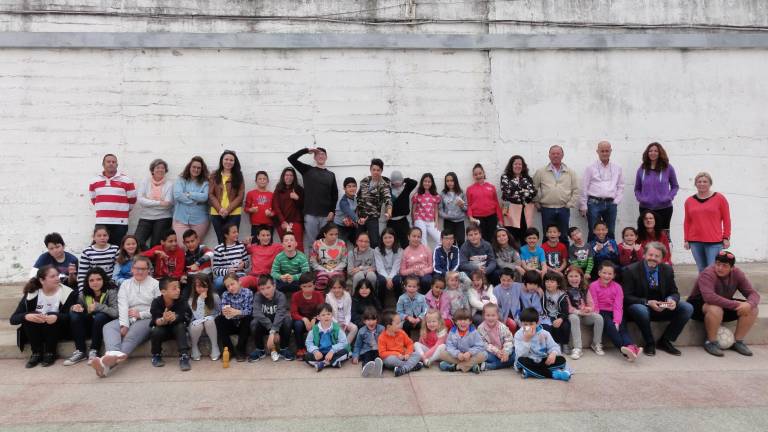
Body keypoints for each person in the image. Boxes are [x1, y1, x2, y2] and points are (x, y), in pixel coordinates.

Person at [90, 256, 160, 377]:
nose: (140, 271)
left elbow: (158, 308)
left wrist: (141, 314)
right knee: (109, 327)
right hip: (127, 317)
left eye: (143, 268)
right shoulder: (125, 284)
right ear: (132, 269)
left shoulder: (156, 284)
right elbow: (122, 306)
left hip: (147, 318)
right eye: (137, 268)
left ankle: (106, 364)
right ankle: (111, 355)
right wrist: (124, 324)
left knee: (131, 335)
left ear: (149, 270)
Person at [622, 242, 693, 356]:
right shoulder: (630, 270)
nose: (653, 258)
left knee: (687, 308)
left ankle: (665, 340)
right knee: (641, 309)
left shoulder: (667, 269)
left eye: (657, 256)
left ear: (662, 258)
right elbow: (626, 296)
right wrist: (647, 302)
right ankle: (649, 342)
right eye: (650, 255)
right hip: (641, 307)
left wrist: (672, 300)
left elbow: (674, 292)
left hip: (661, 306)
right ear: (644, 254)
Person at [688, 251, 761, 357]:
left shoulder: (737, 273)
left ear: (732, 268)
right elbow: (709, 297)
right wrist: (736, 305)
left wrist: (749, 304)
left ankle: (738, 342)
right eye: (717, 264)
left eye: (725, 265)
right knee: (715, 309)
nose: (720, 268)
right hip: (698, 306)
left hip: (723, 304)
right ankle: (711, 342)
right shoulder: (707, 273)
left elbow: (753, 293)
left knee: (753, 309)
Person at [11, 265, 78, 368]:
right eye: (52, 276)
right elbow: (13, 319)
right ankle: (36, 353)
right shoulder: (32, 294)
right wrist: (26, 316)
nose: (57, 278)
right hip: (36, 332)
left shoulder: (67, 293)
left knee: (51, 315)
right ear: (42, 280)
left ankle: (50, 352)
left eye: (57, 275)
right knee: (30, 316)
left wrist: (57, 317)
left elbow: (70, 317)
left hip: (59, 330)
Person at [288, 147, 338, 252]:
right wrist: (306, 150)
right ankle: (312, 266)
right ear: (314, 157)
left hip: (325, 216)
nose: (321, 155)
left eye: (323, 154)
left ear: (326, 157)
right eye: (318, 154)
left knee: (325, 243)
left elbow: (334, 195)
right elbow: (291, 158)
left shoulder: (331, 175)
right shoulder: (307, 170)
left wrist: (332, 211)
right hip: (310, 214)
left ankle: (324, 267)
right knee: (313, 243)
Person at [590, 261, 642, 361]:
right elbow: (594, 304)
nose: (607, 276)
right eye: (604, 273)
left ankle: (630, 346)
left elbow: (618, 306)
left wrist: (617, 320)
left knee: (622, 328)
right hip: (601, 311)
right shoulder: (593, 285)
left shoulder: (618, 287)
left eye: (610, 274)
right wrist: (598, 316)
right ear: (599, 273)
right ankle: (627, 351)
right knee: (610, 326)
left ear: (614, 275)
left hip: (615, 311)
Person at [65, 267, 118, 366]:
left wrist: (98, 307)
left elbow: (115, 313)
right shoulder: (83, 294)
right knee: (74, 313)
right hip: (90, 326)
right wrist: (75, 307)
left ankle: (94, 350)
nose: (95, 283)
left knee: (100, 316)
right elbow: (81, 311)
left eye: (98, 279)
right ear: (87, 282)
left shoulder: (111, 291)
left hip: (104, 325)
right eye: (91, 280)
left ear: (104, 279)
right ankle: (80, 351)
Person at [684, 172, 731, 272]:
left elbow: (726, 219)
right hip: (695, 241)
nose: (702, 184)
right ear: (695, 184)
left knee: (712, 269)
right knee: (701, 269)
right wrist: (686, 239)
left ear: (710, 184)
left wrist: (726, 237)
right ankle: (704, 288)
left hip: (714, 241)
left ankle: (714, 288)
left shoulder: (720, 198)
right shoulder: (689, 201)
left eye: (705, 181)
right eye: (699, 181)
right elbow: (687, 221)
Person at [533, 145, 579, 245]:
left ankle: (565, 259)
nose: (555, 156)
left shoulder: (570, 172)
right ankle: (545, 259)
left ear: (562, 155)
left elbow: (576, 190)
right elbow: (533, 188)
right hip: (547, 209)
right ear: (549, 155)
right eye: (553, 153)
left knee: (563, 236)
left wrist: (570, 204)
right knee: (547, 236)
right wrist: (536, 202)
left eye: (558, 153)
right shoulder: (541, 172)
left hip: (563, 208)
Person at [580, 141, 624, 241]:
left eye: (607, 151)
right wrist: (583, 205)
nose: (604, 153)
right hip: (594, 203)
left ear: (611, 151)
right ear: (597, 152)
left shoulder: (617, 168)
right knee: (593, 230)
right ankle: (592, 255)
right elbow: (584, 186)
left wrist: (616, 201)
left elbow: (621, 186)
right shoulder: (590, 167)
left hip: (611, 204)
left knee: (610, 231)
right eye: (602, 151)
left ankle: (610, 255)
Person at [513, 307, 571, 381]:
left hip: (543, 360)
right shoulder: (519, 334)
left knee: (562, 360)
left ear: (537, 323)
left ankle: (530, 372)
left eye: (531, 324)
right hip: (528, 360)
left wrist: (553, 353)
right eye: (525, 324)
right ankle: (553, 374)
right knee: (520, 361)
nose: (528, 327)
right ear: (521, 324)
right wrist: (526, 340)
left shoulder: (545, 333)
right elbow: (520, 354)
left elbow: (554, 346)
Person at [88, 153, 136, 243]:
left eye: (113, 162)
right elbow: (94, 199)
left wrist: (122, 211)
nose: (111, 163)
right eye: (108, 161)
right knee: (100, 246)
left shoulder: (126, 180)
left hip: (120, 222)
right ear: (103, 164)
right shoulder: (94, 181)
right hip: (101, 221)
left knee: (117, 248)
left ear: (117, 165)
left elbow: (132, 199)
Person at [634, 142, 678, 232]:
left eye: (656, 151)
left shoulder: (668, 168)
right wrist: (641, 198)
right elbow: (637, 188)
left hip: (664, 208)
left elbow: (675, 186)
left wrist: (668, 197)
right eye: (650, 151)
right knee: (646, 234)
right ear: (647, 153)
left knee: (663, 235)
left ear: (660, 153)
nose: (653, 153)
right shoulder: (642, 169)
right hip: (645, 208)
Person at [149, 278, 192, 371]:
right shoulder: (156, 302)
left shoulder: (182, 300)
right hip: (163, 331)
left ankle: (184, 356)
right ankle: (156, 355)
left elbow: (186, 315)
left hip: (178, 331)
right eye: (174, 288)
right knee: (155, 330)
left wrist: (175, 317)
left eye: (179, 287)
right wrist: (163, 319)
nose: (178, 290)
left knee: (180, 326)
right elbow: (155, 320)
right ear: (163, 292)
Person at [250, 276, 294, 362]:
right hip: (266, 326)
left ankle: (284, 349)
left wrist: (274, 330)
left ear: (274, 286)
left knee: (287, 320)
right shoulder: (258, 296)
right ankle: (260, 350)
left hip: (279, 325)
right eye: (262, 289)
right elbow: (257, 313)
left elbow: (280, 314)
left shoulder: (280, 296)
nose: (265, 291)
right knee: (254, 323)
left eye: (268, 287)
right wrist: (272, 330)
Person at [564, 265, 604, 360]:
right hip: (572, 315)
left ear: (581, 277)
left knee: (598, 318)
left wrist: (589, 309)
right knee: (574, 317)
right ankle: (578, 348)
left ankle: (596, 343)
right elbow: (568, 307)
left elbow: (591, 303)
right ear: (567, 277)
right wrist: (578, 312)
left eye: (576, 276)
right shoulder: (565, 290)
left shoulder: (585, 288)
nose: (574, 279)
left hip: (584, 314)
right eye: (571, 276)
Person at [134, 158, 174, 249]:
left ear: (165, 170)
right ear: (152, 170)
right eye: (157, 167)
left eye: (163, 168)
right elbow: (140, 200)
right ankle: (144, 260)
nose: (160, 169)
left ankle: (153, 263)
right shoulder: (145, 182)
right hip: (145, 217)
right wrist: (160, 202)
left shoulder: (169, 184)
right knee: (138, 241)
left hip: (163, 218)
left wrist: (148, 202)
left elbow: (168, 203)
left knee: (156, 245)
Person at [209, 150, 245, 244]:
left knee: (233, 240)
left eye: (231, 160)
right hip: (217, 213)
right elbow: (211, 194)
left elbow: (240, 195)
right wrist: (220, 209)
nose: (228, 162)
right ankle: (222, 258)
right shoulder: (214, 175)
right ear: (222, 160)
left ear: (235, 162)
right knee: (221, 240)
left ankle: (234, 259)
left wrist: (228, 210)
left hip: (234, 213)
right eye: (226, 159)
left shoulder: (238, 175)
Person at [500, 155, 537, 244]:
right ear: (511, 165)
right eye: (515, 164)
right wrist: (524, 191)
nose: (518, 166)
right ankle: (513, 257)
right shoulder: (505, 177)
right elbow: (507, 193)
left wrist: (516, 190)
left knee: (525, 234)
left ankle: (524, 256)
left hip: (525, 210)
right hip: (510, 210)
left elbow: (533, 193)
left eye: (520, 164)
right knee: (511, 235)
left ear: (523, 166)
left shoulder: (527, 178)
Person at [215, 274, 253, 362]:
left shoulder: (248, 293)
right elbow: (223, 310)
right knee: (218, 319)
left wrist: (237, 312)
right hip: (231, 322)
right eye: (228, 286)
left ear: (239, 282)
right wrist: (225, 312)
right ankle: (229, 349)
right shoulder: (225, 294)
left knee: (248, 318)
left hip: (243, 325)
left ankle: (240, 349)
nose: (230, 288)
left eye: (232, 284)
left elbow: (249, 310)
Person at [172, 155, 211, 241]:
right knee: (182, 245)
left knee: (194, 246)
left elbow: (204, 197)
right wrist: (195, 202)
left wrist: (189, 194)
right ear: (189, 167)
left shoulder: (205, 182)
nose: (196, 170)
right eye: (194, 167)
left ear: (202, 170)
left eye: (199, 168)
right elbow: (178, 195)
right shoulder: (181, 180)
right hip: (180, 219)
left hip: (200, 220)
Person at [357, 158, 393, 249]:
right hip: (360, 217)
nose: (376, 172)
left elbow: (388, 199)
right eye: (374, 169)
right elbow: (358, 197)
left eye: (378, 170)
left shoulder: (384, 185)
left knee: (375, 242)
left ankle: (375, 263)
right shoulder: (364, 181)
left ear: (381, 170)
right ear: (370, 169)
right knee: (358, 240)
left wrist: (389, 212)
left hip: (372, 218)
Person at [439, 308, 486, 373]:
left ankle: (457, 367)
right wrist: (457, 354)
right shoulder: (452, 332)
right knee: (442, 354)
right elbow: (449, 346)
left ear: (470, 321)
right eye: (460, 320)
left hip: (470, 356)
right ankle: (471, 366)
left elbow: (480, 346)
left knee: (484, 355)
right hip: (458, 356)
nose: (463, 322)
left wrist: (470, 353)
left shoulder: (474, 332)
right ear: (455, 322)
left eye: (465, 320)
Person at [304, 303, 349, 371]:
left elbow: (343, 342)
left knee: (345, 352)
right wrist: (315, 351)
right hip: (320, 354)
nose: (326, 316)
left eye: (328, 314)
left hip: (333, 353)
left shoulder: (337, 328)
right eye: (323, 315)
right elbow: (308, 343)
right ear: (318, 317)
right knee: (307, 356)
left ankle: (323, 364)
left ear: (331, 315)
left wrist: (332, 351)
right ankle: (333, 362)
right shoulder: (314, 330)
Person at [378, 309, 423, 377]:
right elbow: (382, 353)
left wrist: (408, 353)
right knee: (391, 360)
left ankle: (403, 369)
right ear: (389, 327)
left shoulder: (401, 333)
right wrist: (396, 354)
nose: (400, 325)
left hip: (404, 356)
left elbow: (410, 343)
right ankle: (412, 366)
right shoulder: (382, 337)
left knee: (417, 355)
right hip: (392, 358)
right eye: (397, 323)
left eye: (400, 322)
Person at [466, 163, 503, 243]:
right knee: (482, 238)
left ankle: (492, 254)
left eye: (480, 173)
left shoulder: (491, 187)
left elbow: (496, 203)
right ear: (473, 176)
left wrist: (500, 219)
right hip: (478, 218)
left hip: (492, 217)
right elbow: (469, 205)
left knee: (493, 237)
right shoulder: (470, 189)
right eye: (475, 174)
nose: (478, 176)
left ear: (484, 173)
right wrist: (470, 217)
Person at [187, 274, 221, 361]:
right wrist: (200, 300)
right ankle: (194, 347)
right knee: (198, 325)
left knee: (209, 321)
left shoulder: (215, 297)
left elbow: (219, 311)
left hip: (211, 325)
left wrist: (211, 317)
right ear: (194, 287)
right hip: (196, 325)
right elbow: (198, 317)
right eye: (198, 286)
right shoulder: (191, 300)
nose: (201, 289)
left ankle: (215, 346)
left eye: (204, 286)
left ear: (208, 286)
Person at [291, 272, 325, 358]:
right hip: (302, 321)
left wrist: (314, 319)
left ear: (314, 286)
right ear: (300, 286)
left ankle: (318, 348)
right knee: (297, 324)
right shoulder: (296, 296)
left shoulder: (318, 295)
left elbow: (322, 310)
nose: (307, 289)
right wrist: (304, 319)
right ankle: (300, 348)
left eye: (310, 286)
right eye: (304, 286)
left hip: (316, 319)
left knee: (321, 323)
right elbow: (293, 313)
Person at [239, 226, 283, 290]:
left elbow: (288, 246)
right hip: (254, 277)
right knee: (241, 282)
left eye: (268, 235)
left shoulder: (276, 247)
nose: (266, 238)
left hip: (268, 277)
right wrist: (246, 243)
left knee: (264, 288)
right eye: (263, 235)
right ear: (258, 237)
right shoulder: (253, 247)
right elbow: (242, 249)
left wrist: (288, 231)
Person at [272, 167, 305, 252]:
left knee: (298, 245)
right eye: (287, 175)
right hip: (282, 223)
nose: (289, 177)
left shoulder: (298, 189)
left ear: (294, 177)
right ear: (283, 176)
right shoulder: (279, 189)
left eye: (291, 175)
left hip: (296, 222)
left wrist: (297, 198)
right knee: (286, 246)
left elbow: (304, 206)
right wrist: (283, 221)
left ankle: (302, 265)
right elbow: (276, 206)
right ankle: (287, 265)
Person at [77, 225, 119, 291]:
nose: (102, 238)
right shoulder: (87, 252)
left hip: (110, 284)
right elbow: (82, 274)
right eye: (99, 236)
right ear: (94, 237)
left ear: (108, 237)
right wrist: (82, 291)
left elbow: (118, 270)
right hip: (94, 284)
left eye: (105, 235)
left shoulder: (115, 249)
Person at [211, 223, 249, 294]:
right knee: (217, 283)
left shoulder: (241, 246)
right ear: (226, 235)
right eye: (234, 232)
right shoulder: (219, 249)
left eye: (237, 231)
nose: (237, 234)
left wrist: (243, 264)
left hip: (239, 274)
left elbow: (247, 263)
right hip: (225, 276)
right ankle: (222, 300)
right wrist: (227, 271)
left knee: (244, 281)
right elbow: (215, 269)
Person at [310, 223, 348, 291]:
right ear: (325, 234)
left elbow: (344, 260)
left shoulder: (341, 243)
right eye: (331, 234)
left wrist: (335, 269)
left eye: (336, 234)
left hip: (337, 269)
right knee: (322, 278)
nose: (334, 237)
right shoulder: (317, 244)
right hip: (321, 269)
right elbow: (313, 261)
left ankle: (335, 297)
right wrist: (323, 269)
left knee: (337, 280)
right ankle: (321, 296)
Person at [477, 303, 515, 370]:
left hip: (503, 352)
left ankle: (490, 366)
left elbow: (509, 340)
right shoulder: (481, 328)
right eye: (488, 315)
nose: (490, 318)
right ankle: (500, 364)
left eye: (493, 315)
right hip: (491, 352)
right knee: (482, 354)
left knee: (514, 355)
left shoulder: (502, 327)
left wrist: (506, 352)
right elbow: (483, 344)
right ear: (483, 316)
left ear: (497, 316)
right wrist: (496, 352)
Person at [387, 171, 418, 249]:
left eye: (399, 181)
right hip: (391, 221)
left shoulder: (406, 188)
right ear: (392, 181)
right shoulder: (388, 190)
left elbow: (414, 182)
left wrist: (403, 180)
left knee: (406, 242)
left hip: (403, 220)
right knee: (392, 243)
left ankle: (407, 259)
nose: (397, 183)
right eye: (395, 182)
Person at [541, 272, 571, 351]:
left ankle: (565, 343)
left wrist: (561, 319)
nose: (549, 284)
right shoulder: (543, 292)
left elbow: (565, 311)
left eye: (552, 282)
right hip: (547, 315)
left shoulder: (562, 295)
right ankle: (555, 344)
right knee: (548, 327)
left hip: (560, 315)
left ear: (558, 284)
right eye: (547, 282)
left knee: (566, 326)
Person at [352, 307, 385, 377]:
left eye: (373, 319)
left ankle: (379, 369)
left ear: (377, 320)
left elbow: (386, 342)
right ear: (364, 321)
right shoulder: (361, 331)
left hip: (379, 350)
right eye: (368, 320)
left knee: (379, 358)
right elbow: (358, 345)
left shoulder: (381, 329)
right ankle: (365, 368)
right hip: (367, 350)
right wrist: (355, 356)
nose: (371, 322)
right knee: (367, 357)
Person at [399, 227, 433, 294]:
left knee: (426, 280)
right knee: (412, 282)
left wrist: (423, 272)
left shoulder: (426, 249)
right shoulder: (405, 252)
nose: (416, 239)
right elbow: (402, 271)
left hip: (424, 274)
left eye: (418, 237)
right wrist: (412, 270)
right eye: (414, 236)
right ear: (408, 237)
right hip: (411, 275)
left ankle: (425, 299)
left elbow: (431, 267)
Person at [374, 228, 404, 305]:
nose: (388, 240)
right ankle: (380, 306)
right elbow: (380, 267)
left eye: (390, 237)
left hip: (395, 273)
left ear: (394, 238)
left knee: (397, 281)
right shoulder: (377, 250)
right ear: (382, 239)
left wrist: (390, 278)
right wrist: (387, 278)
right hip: (382, 273)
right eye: (385, 238)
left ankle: (399, 305)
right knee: (381, 281)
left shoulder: (400, 250)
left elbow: (396, 267)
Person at [411, 173, 442, 247]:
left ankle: (435, 256)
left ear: (432, 183)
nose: (427, 183)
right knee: (423, 241)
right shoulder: (417, 194)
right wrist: (414, 221)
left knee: (440, 239)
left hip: (431, 221)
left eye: (429, 182)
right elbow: (413, 209)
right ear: (422, 182)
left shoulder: (435, 195)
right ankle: (425, 257)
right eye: (425, 181)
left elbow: (436, 210)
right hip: (419, 219)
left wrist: (436, 221)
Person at [325, 277, 358, 344]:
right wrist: (337, 324)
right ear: (330, 288)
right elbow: (328, 314)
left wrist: (346, 323)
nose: (337, 290)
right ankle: (344, 349)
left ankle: (346, 346)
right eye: (334, 288)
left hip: (345, 320)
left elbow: (348, 311)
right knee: (341, 332)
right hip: (333, 321)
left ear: (343, 287)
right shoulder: (328, 297)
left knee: (354, 328)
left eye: (339, 287)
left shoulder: (347, 295)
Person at [439, 172, 468, 246]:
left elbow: (467, 208)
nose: (449, 183)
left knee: (461, 240)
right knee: (450, 242)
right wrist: (446, 216)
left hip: (460, 221)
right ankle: (451, 257)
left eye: (452, 180)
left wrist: (462, 206)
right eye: (447, 181)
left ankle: (461, 257)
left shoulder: (461, 192)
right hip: (448, 221)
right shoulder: (443, 193)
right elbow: (440, 209)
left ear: (455, 181)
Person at [244, 171, 275, 239]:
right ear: (256, 181)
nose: (262, 180)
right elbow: (246, 209)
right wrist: (251, 210)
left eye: (264, 179)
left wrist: (271, 214)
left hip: (269, 225)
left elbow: (275, 210)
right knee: (255, 245)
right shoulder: (250, 193)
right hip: (256, 225)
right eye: (260, 179)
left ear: (267, 181)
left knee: (268, 246)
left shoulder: (272, 195)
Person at [494, 268, 523, 332]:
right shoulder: (496, 290)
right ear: (500, 278)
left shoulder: (518, 286)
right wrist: (500, 317)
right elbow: (496, 306)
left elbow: (528, 287)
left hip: (517, 314)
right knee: (512, 324)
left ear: (513, 279)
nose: (506, 283)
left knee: (524, 326)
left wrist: (538, 288)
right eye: (503, 280)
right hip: (503, 316)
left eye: (509, 280)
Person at [334, 177, 361, 245]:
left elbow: (356, 209)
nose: (352, 188)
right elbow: (349, 212)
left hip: (350, 225)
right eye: (349, 186)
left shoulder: (354, 197)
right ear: (344, 188)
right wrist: (357, 220)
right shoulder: (343, 201)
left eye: (354, 186)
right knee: (341, 247)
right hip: (340, 227)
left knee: (358, 243)